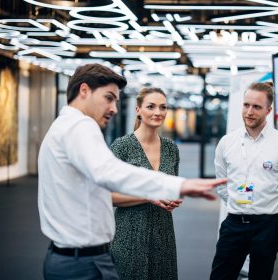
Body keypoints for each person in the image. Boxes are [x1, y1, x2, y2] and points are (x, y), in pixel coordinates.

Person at [37, 63, 227, 280]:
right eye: (108, 98)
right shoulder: (79, 127)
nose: (114, 109)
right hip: (82, 262)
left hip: (77, 258)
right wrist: (177, 186)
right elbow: (110, 173)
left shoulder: (63, 126)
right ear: (84, 90)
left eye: (115, 101)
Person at [209, 82, 278, 280]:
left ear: (268, 110)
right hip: (233, 223)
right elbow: (222, 184)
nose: (249, 112)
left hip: (267, 226)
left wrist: (273, 212)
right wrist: (239, 204)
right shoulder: (227, 142)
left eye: (257, 107)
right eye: (246, 105)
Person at [110, 87, 181, 280]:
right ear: (138, 110)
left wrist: (172, 198)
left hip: (163, 235)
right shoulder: (122, 146)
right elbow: (109, 196)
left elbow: (171, 187)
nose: (158, 112)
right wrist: (149, 196)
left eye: (162, 107)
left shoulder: (171, 148)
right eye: (151, 106)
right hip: (129, 235)